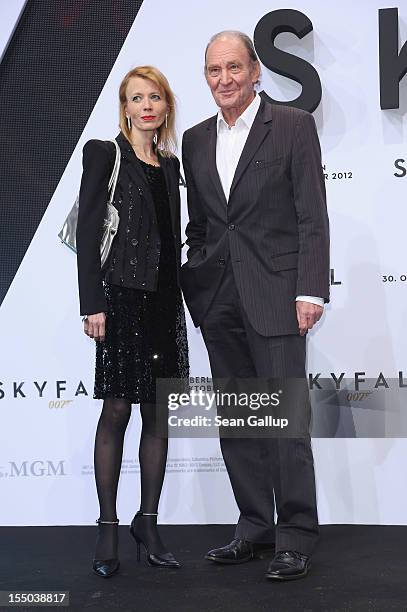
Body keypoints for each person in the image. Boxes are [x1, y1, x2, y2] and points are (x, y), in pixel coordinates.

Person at [181, 31, 329, 581]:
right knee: (240, 422)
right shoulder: (196, 140)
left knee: (286, 423)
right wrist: (196, 283)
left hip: (276, 297)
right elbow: (201, 224)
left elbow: (312, 215)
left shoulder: (291, 126)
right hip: (218, 301)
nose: (225, 79)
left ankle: (295, 535)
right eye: (215, 70)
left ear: (256, 69)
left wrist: (309, 290)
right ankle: (253, 528)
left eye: (234, 68)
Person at [76, 65, 189, 578]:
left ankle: (149, 521)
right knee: (117, 411)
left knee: (159, 416)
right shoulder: (105, 152)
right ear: (125, 105)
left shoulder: (170, 164)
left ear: (165, 106)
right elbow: (87, 231)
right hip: (120, 299)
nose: (147, 106)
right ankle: (107, 527)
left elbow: (173, 234)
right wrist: (90, 302)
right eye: (137, 97)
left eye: (155, 97)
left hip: (165, 302)